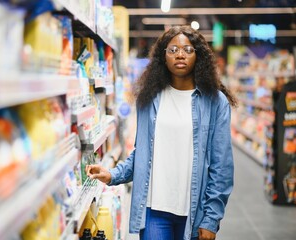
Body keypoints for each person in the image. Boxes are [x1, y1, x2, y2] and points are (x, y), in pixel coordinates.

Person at [86, 25, 237, 240]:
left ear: (198, 55)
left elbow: (221, 166)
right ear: (163, 56)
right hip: (153, 210)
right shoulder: (150, 98)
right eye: (173, 50)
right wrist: (113, 175)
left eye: (188, 50)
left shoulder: (214, 102)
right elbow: (143, 153)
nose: (180, 55)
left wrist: (211, 219)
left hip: (194, 213)